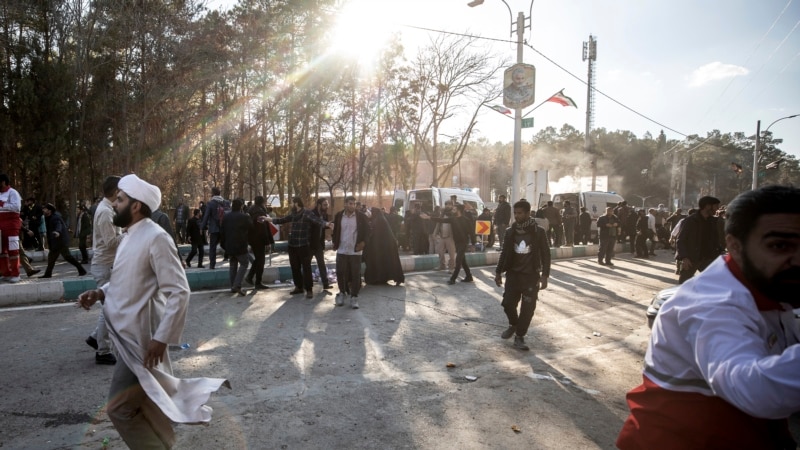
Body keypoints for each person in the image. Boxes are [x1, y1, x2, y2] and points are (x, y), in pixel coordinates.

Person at [616, 185, 800, 449]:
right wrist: (686, 257)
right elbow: (753, 389)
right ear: (736, 245)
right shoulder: (712, 305)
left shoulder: (769, 287)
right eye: (779, 245)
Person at [77, 174, 228, 449]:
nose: (115, 205)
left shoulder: (156, 237)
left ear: (136, 206)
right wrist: (100, 292)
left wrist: (161, 339)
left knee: (119, 409)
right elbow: (126, 280)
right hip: (125, 337)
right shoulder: (129, 237)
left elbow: (179, 290)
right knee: (148, 402)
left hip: (142, 341)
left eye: (120, 200)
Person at [494, 200, 551, 351]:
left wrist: (545, 275)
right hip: (513, 275)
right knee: (507, 304)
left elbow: (546, 254)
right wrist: (498, 271)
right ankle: (513, 324)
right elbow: (505, 253)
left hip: (530, 277)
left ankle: (520, 336)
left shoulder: (538, 232)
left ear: (527, 213)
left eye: (520, 213)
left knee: (527, 308)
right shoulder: (510, 231)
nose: (517, 216)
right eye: (515, 213)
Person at [86, 175, 122, 366]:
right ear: (116, 191)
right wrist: (132, 233)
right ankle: (103, 351)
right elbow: (111, 242)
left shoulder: (108, 209)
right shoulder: (106, 212)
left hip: (107, 265)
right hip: (104, 266)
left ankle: (95, 337)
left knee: (110, 308)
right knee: (110, 310)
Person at [266, 196, 331, 299]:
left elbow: (317, 221)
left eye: (292, 203)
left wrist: (327, 224)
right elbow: (282, 220)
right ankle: (298, 287)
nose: (291, 205)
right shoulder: (293, 214)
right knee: (295, 267)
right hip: (292, 245)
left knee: (306, 267)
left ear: (296, 203)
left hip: (303, 245)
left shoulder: (306, 213)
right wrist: (268, 219)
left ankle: (309, 289)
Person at [332, 196, 370, 308]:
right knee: (340, 272)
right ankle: (342, 293)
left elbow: (368, 231)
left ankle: (354, 297)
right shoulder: (339, 216)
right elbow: (336, 230)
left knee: (355, 274)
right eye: (350, 203)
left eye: (353, 203)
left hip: (355, 251)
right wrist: (334, 241)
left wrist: (363, 243)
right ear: (345, 204)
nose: (352, 206)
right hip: (342, 249)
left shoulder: (361, 217)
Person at [675, 196, 722, 284]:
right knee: (684, 285)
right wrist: (684, 258)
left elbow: (715, 240)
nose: (718, 209)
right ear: (708, 206)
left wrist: (720, 253)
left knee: (715, 282)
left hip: (708, 258)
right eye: (716, 206)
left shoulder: (713, 221)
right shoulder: (690, 220)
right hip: (691, 258)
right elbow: (680, 240)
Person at [426, 204, 474, 285]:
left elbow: (472, 233)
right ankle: (469, 276)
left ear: (458, 210)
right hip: (457, 243)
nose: (453, 210)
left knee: (458, 261)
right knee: (463, 261)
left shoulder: (466, 220)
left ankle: (453, 279)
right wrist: (429, 217)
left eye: (454, 209)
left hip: (463, 243)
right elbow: (441, 220)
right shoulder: (453, 219)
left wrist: (473, 244)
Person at [40, 203, 87, 278]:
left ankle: (81, 270)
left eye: (45, 209)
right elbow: (63, 224)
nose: (43, 210)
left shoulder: (55, 218)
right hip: (55, 242)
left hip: (60, 241)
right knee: (51, 258)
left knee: (67, 257)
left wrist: (58, 232)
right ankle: (48, 274)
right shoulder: (48, 217)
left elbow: (59, 225)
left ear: (49, 210)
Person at [364, 207, 404, 286]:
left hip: (384, 246)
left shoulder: (378, 220)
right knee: (386, 262)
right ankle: (382, 278)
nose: (370, 213)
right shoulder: (379, 219)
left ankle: (378, 279)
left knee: (382, 262)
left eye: (371, 212)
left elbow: (374, 234)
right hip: (385, 246)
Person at [221, 198, 251, 296]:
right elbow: (251, 227)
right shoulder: (244, 217)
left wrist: (223, 244)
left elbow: (222, 231)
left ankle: (233, 286)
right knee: (244, 264)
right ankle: (237, 285)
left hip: (229, 245)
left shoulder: (226, 217)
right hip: (241, 245)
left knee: (233, 266)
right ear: (241, 206)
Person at [245, 196, 273, 289]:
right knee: (261, 260)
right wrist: (267, 241)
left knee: (258, 259)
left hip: (252, 238)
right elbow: (263, 228)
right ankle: (257, 282)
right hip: (259, 239)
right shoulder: (260, 212)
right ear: (262, 202)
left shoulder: (251, 210)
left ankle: (250, 277)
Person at [0, 173, 23, 283]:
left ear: (3, 182)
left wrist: (2, 205)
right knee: (1, 251)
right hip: (0, 226)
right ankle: (6, 273)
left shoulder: (13, 193)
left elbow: (16, 207)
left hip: (11, 225)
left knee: (13, 250)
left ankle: (16, 274)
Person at [200, 186, 227, 269]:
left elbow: (206, 216)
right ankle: (232, 257)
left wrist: (202, 227)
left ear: (213, 193)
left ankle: (212, 265)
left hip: (214, 228)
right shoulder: (225, 202)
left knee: (213, 247)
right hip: (224, 228)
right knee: (226, 244)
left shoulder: (210, 203)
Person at [309, 198, 333, 290]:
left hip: (319, 244)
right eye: (325, 204)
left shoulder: (324, 215)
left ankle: (325, 284)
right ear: (319, 205)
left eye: (327, 204)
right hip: (310, 244)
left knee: (321, 264)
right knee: (307, 265)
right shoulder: (312, 214)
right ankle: (306, 285)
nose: (327, 206)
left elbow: (323, 228)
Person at [434, 202, 456, 270]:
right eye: (446, 204)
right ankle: (442, 265)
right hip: (442, 236)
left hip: (450, 237)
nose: (447, 206)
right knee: (440, 252)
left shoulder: (453, 214)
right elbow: (438, 223)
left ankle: (451, 267)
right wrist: (435, 233)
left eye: (449, 204)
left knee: (451, 254)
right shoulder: (442, 214)